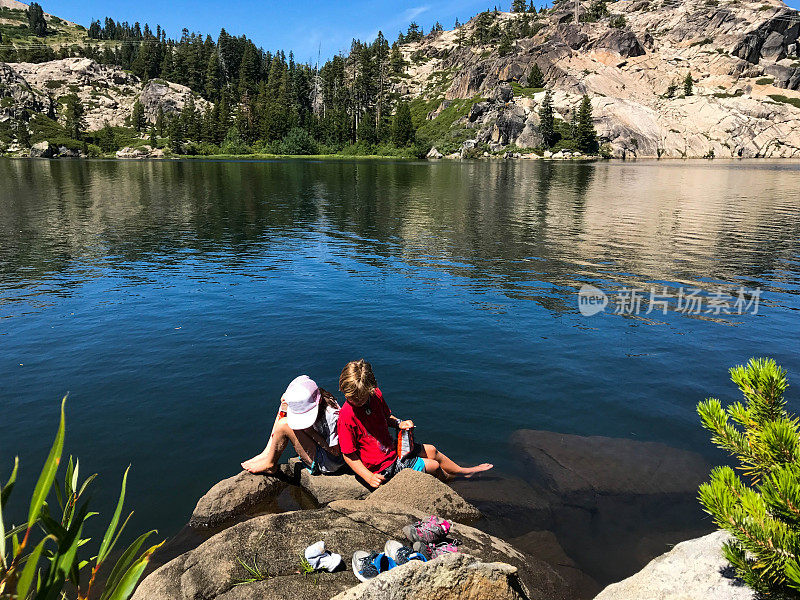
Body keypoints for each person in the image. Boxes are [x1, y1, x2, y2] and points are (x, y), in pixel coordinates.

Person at [336, 359, 493, 488]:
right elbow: (348, 454)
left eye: (361, 397)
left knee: (432, 450)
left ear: (371, 389)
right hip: (382, 466)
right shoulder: (346, 416)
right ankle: (450, 481)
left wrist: (399, 423)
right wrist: (369, 476)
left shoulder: (376, 396)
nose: (356, 401)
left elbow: (387, 418)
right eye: (351, 397)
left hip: (393, 450)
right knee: (433, 466)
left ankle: (463, 471)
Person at [241, 375, 344, 475]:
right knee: (285, 405)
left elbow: (336, 453)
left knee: (283, 425)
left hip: (327, 461)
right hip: (317, 445)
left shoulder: (331, 416)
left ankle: (270, 464)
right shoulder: (319, 396)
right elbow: (285, 398)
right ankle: (267, 452)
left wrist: (312, 433)